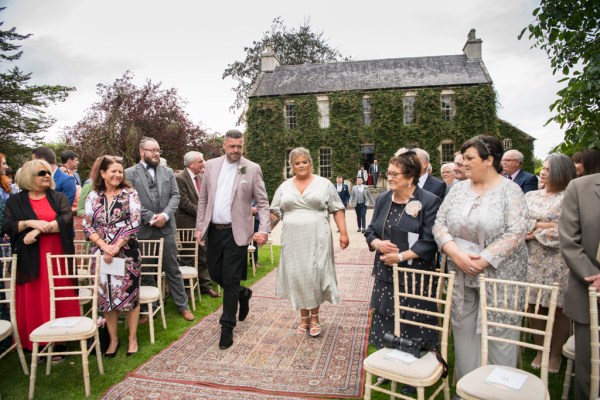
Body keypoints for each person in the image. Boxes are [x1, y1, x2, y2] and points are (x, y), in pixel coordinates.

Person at [433, 135, 528, 382]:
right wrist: (455, 253)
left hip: (500, 274)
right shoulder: (457, 190)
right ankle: (468, 387)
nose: (462, 163)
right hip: (461, 271)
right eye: (462, 158)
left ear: (489, 160)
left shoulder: (511, 191)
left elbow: (517, 231)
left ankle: (499, 390)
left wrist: (483, 259)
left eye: (469, 158)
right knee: (464, 330)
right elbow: (439, 224)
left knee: (500, 332)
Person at [195, 129, 270, 349]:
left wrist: (264, 229)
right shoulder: (211, 166)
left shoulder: (252, 169)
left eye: (239, 146)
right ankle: (243, 293)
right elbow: (203, 200)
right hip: (214, 232)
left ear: (243, 146)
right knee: (217, 273)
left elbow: (263, 202)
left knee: (229, 280)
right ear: (224, 146)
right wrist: (200, 227)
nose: (236, 150)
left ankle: (227, 326)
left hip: (237, 232)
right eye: (232, 146)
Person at [1, 159, 79, 356]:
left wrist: (36, 231)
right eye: (41, 173)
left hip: (57, 255)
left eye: (47, 172)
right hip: (30, 258)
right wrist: (29, 223)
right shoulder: (15, 201)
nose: (46, 176)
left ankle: (62, 340)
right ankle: (36, 340)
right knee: (34, 295)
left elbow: (65, 219)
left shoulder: (58, 196)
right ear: (28, 177)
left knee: (60, 293)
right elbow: (8, 226)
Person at [270, 147, 349, 337]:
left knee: (315, 273)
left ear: (310, 163)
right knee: (297, 275)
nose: (301, 165)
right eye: (297, 163)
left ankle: (314, 317)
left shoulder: (324, 184)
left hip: (317, 236)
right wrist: (263, 231)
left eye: (304, 162)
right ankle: (303, 318)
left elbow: (337, 209)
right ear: (292, 166)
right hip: (292, 238)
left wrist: (344, 233)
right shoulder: (284, 187)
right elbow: (275, 213)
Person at [365, 152, 441, 348]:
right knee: (387, 319)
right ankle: (388, 364)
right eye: (388, 173)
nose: (389, 178)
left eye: (394, 174)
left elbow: (429, 241)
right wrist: (378, 244)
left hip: (415, 275)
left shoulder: (429, 201)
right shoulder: (383, 198)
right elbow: (371, 230)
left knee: (414, 319)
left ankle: (413, 364)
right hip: (386, 273)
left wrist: (399, 256)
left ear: (410, 177)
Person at [125, 137, 194, 322]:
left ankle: (183, 306)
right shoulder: (130, 173)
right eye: (152, 150)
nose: (156, 154)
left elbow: (175, 196)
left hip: (167, 228)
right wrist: (150, 217)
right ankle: (150, 308)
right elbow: (132, 200)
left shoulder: (168, 171)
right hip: (144, 230)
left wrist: (164, 215)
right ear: (142, 152)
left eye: (158, 150)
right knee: (146, 269)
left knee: (173, 268)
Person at [82, 156, 142, 357]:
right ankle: (113, 339)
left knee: (129, 296)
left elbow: (134, 221)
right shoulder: (93, 196)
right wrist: (103, 246)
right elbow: (87, 224)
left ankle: (132, 338)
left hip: (126, 253)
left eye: (120, 171)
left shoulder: (130, 194)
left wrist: (116, 246)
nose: (117, 175)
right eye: (113, 171)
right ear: (102, 174)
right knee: (106, 298)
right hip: (101, 254)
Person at [524, 154, 575, 373]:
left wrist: (536, 230)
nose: (542, 172)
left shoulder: (570, 197)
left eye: (547, 169)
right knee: (533, 305)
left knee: (558, 308)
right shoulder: (530, 195)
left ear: (561, 172)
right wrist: (546, 224)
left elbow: (569, 229)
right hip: (531, 259)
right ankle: (539, 350)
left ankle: (555, 354)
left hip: (559, 261)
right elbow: (521, 222)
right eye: (542, 168)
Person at [559, 172, 600, 400]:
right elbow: (569, 242)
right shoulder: (580, 187)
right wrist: (595, 278)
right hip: (589, 293)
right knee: (589, 372)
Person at [175, 151, 219, 298]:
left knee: (203, 254)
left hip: (202, 224)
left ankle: (205, 286)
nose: (204, 163)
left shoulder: (201, 177)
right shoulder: (180, 179)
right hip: (187, 224)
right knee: (188, 256)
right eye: (201, 161)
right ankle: (187, 290)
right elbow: (185, 203)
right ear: (191, 164)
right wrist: (204, 214)